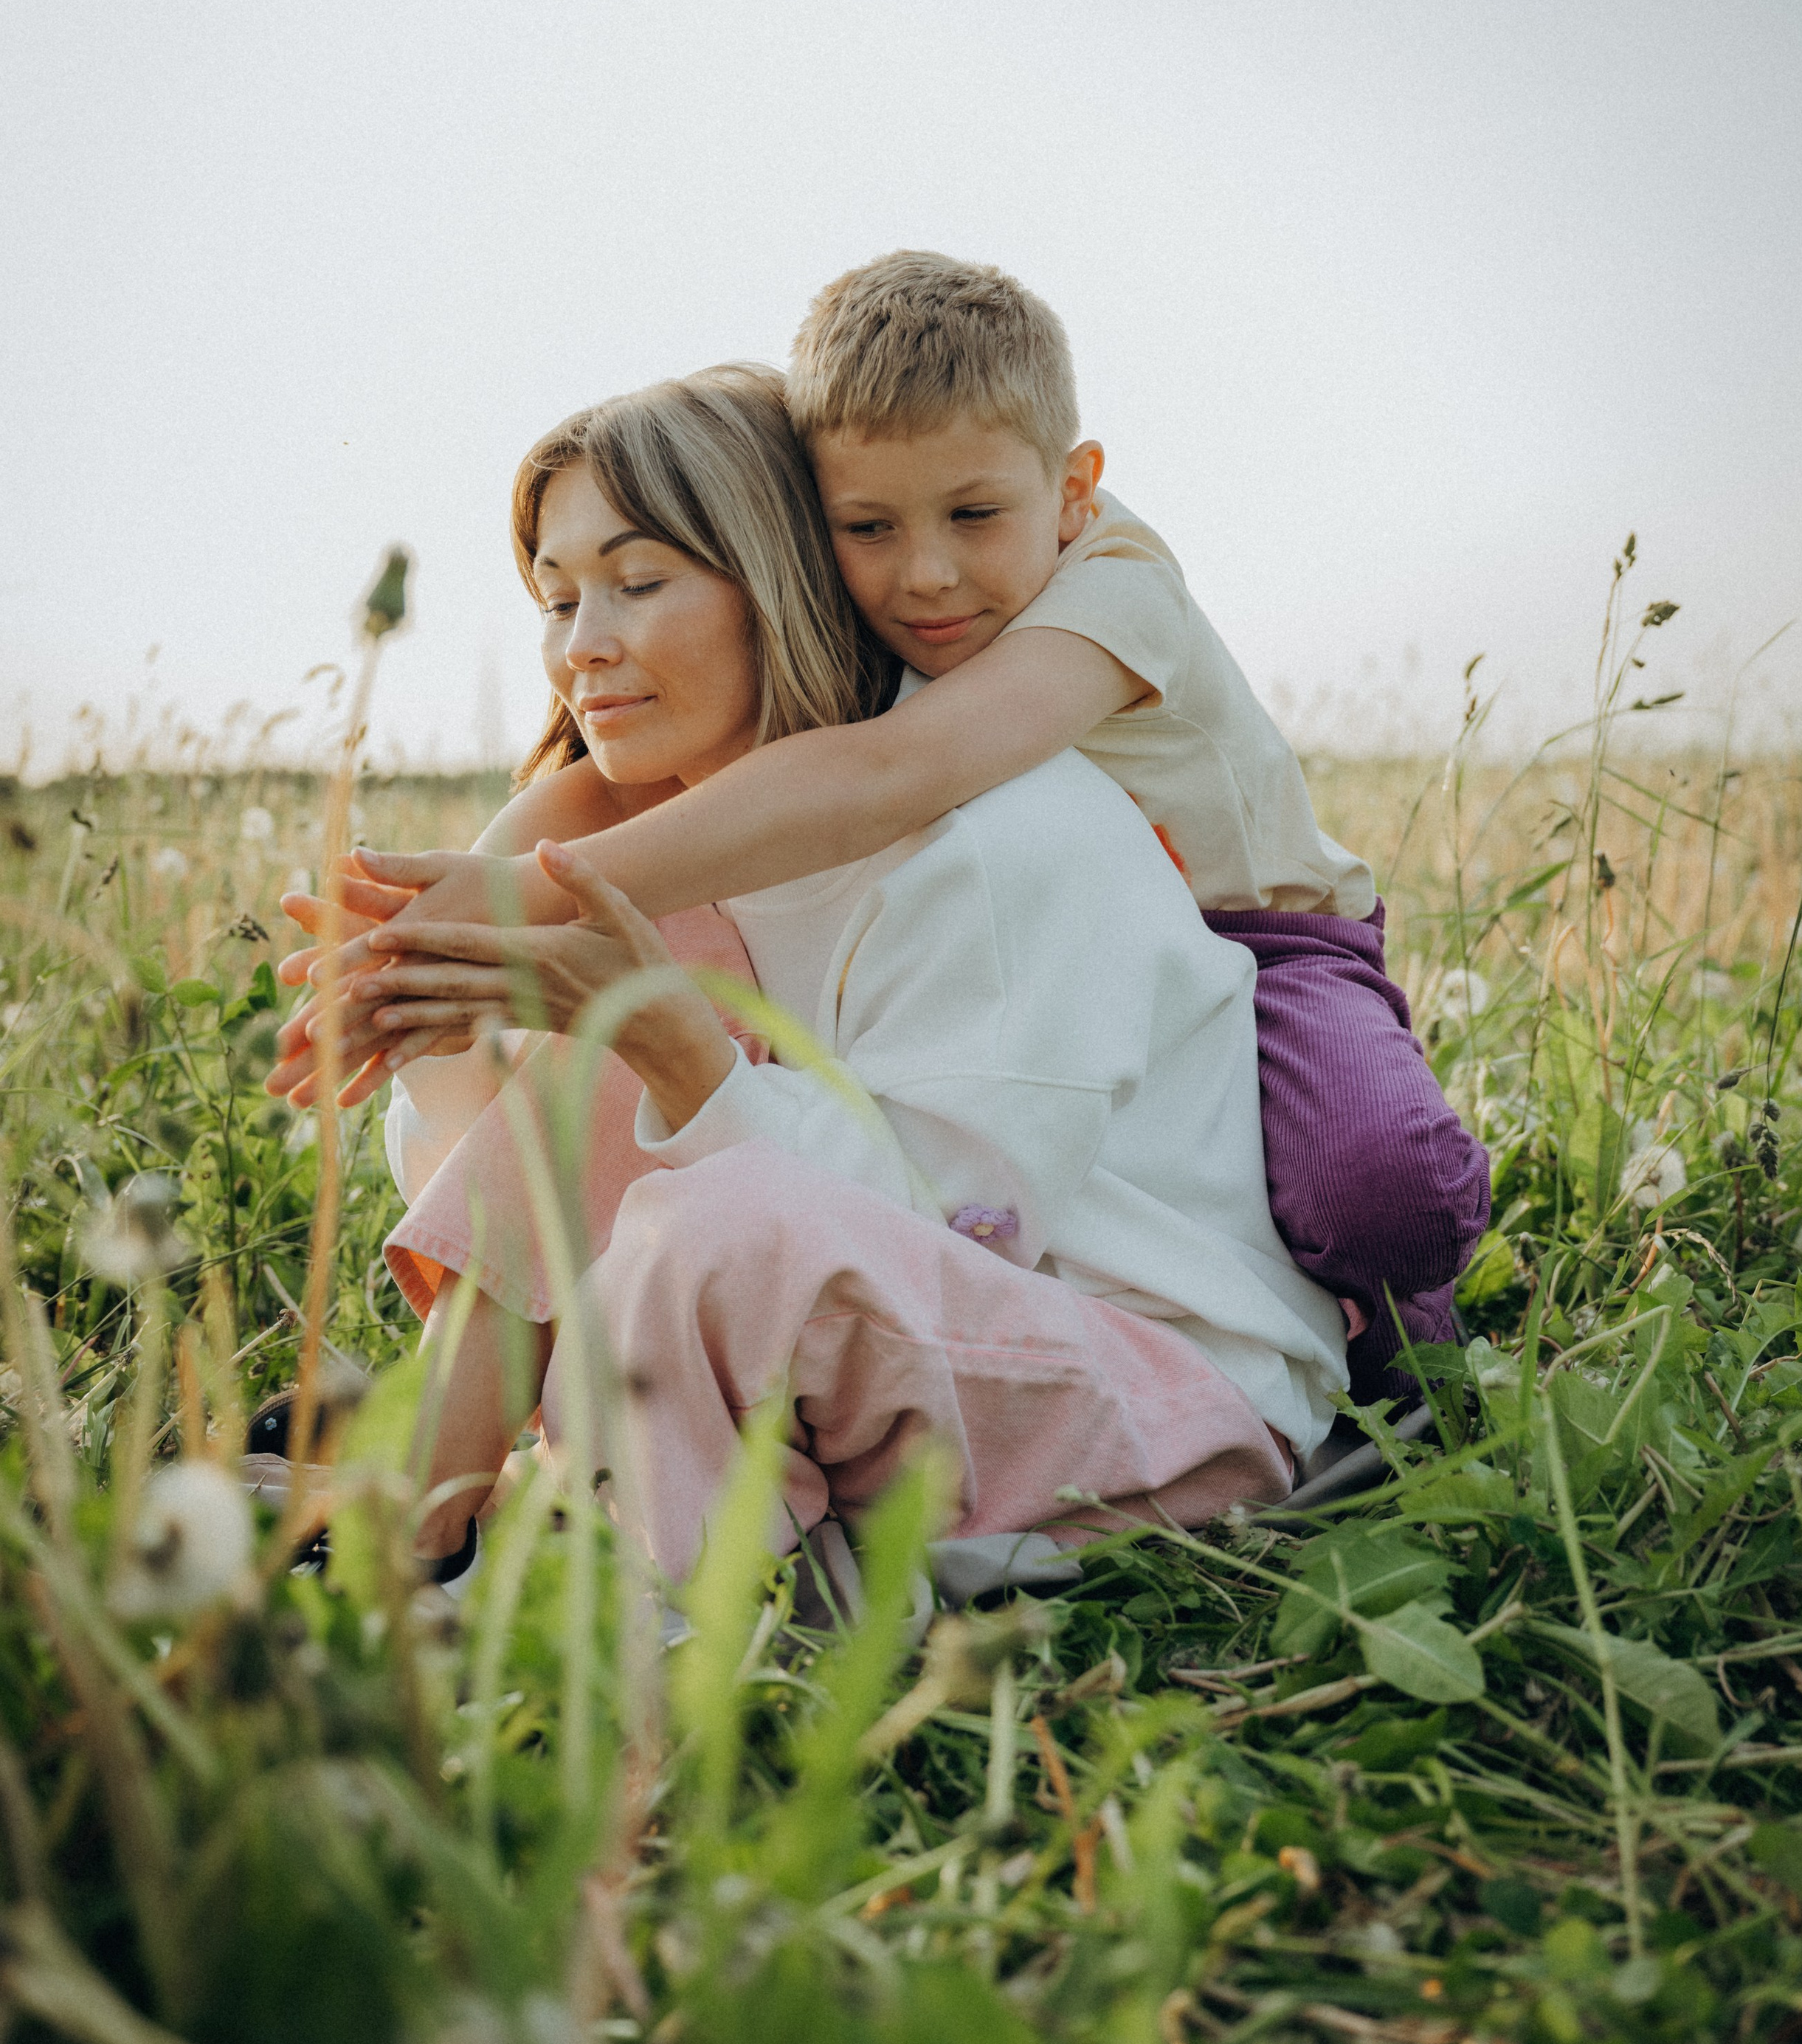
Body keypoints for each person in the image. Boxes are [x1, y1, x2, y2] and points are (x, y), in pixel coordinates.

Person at [280, 255, 1487, 1398]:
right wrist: (424, 947)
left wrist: (530, 897)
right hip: (1120, 969)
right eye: (866, 529)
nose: (925, 577)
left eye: (972, 516)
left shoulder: (1110, 589)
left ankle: (1405, 1373)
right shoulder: (785, 727)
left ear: (1070, 491)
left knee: (1373, 1190)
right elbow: (632, 794)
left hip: (1271, 936)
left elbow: (892, 771)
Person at [287, 365, 1347, 1578]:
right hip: (894, 1374)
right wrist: (437, 1030)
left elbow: (957, 1235)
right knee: (663, 1127)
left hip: (1158, 1407)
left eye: (638, 583)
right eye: (556, 596)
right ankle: (435, 1521)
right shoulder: (664, 853)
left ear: (777, 584)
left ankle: (640, 1617)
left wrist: (677, 1047)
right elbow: (528, 1245)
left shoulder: (1000, 846)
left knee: (708, 1223)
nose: (585, 648)